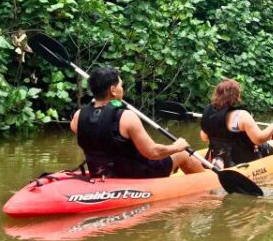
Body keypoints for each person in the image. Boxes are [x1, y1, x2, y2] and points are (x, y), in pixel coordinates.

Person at [70, 67, 203, 178]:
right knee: (182, 154)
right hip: (135, 173)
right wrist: (177, 147)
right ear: (113, 90)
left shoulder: (78, 116)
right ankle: (209, 183)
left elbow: (96, 133)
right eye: (121, 85)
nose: (122, 89)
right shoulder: (126, 117)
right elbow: (152, 152)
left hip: (101, 172)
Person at [199, 78, 273, 167]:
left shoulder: (209, 114)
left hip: (221, 155)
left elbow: (204, 137)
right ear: (236, 96)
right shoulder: (241, 115)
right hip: (242, 158)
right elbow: (259, 139)